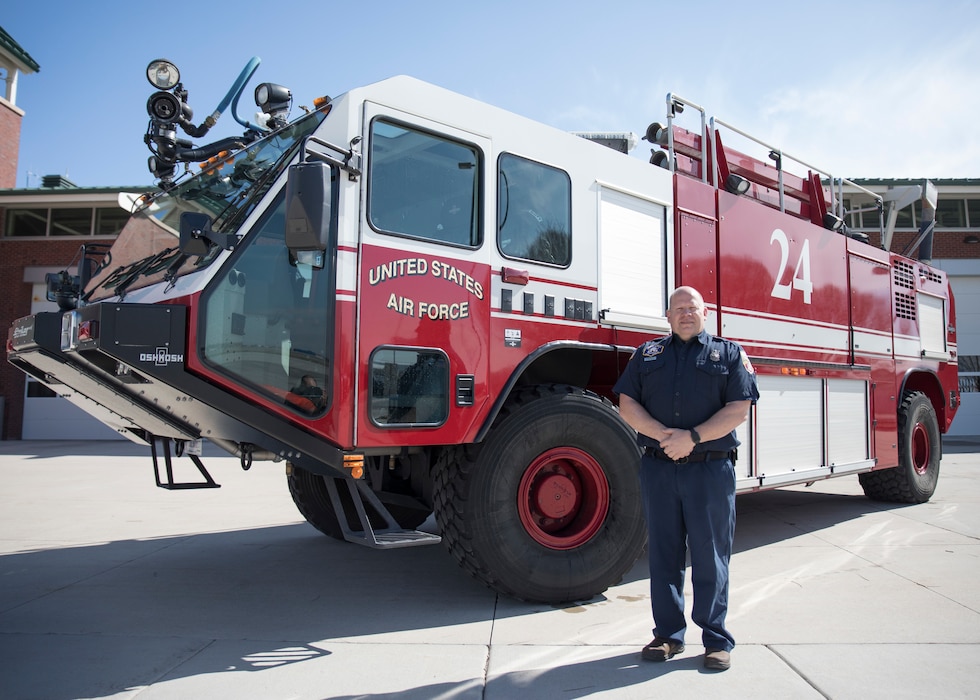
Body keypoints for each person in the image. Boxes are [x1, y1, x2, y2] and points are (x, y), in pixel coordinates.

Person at [613, 286, 759, 671]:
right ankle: (667, 636)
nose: (685, 314)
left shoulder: (729, 354)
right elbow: (627, 403)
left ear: (705, 312)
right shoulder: (647, 355)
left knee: (711, 556)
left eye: (692, 307)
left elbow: (739, 408)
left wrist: (691, 439)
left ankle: (715, 639)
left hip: (710, 470)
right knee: (663, 555)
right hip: (659, 467)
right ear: (667, 315)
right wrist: (666, 437)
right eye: (678, 308)